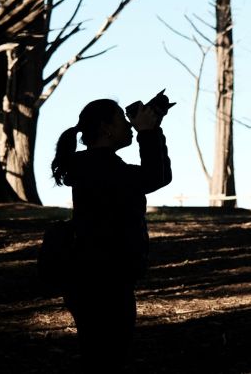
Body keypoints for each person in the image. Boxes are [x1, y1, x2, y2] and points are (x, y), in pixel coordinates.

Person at [51, 97, 172, 372]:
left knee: (100, 355)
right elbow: (154, 177)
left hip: (95, 277)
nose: (128, 125)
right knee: (107, 357)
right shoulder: (101, 167)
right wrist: (148, 132)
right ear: (106, 128)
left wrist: (153, 130)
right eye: (121, 118)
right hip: (103, 279)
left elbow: (158, 177)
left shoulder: (91, 165)